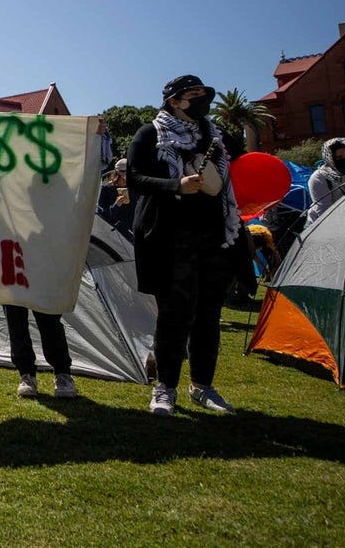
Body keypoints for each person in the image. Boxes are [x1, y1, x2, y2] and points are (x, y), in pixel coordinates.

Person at [128, 75, 239, 416]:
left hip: (213, 235)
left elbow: (242, 168)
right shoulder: (150, 134)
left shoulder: (215, 136)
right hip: (169, 238)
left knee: (208, 315)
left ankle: (202, 385)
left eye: (203, 94)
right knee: (175, 316)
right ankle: (165, 387)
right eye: (193, 95)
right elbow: (135, 177)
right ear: (174, 101)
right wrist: (176, 184)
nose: (201, 100)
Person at [3, 305, 78, 398]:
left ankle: (63, 374)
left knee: (49, 319)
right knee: (15, 321)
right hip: (13, 291)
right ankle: (26, 375)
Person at [98, 158, 135, 238]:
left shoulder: (133, 188)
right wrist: (116, 205)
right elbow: (101, 214)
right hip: (113, 233)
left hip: (131, 233)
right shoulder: (107, 189)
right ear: (118, 174)